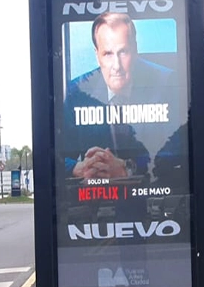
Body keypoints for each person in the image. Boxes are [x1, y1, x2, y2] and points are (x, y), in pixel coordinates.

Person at [63, 12, 177, 181]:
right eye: (108, 54)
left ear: (135, 50)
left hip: (151, 190)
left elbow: (177, 150)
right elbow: (55, 154)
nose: (116, 66)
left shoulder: (167, 83)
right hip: (96, 195)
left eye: (123, 52)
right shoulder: (77, 92)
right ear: (97, 55)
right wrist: (77, 167)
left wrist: (128, 167)